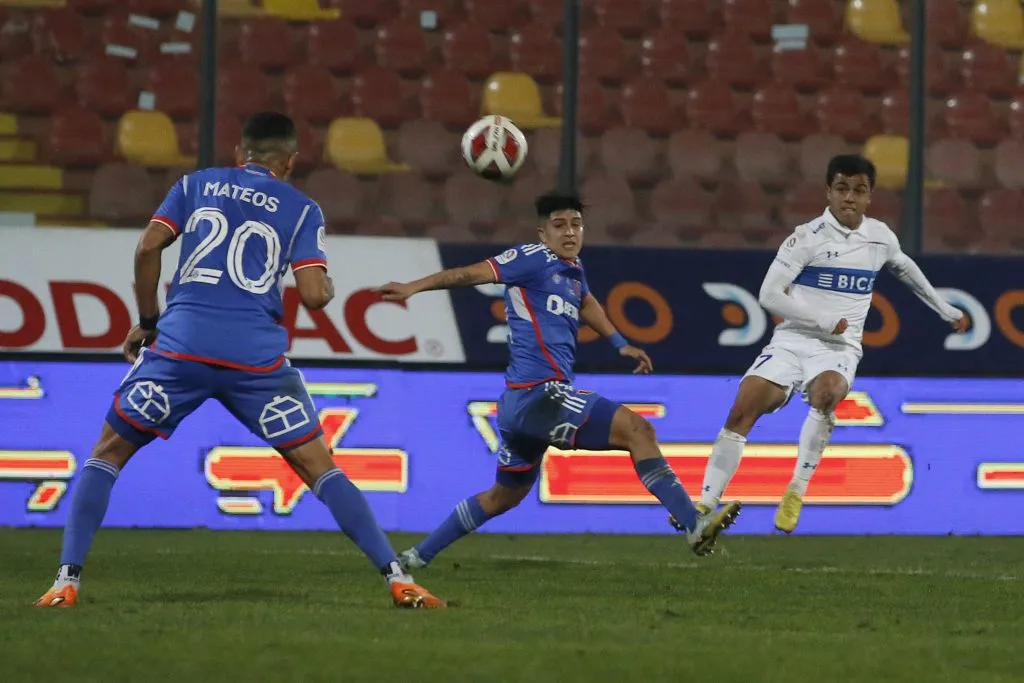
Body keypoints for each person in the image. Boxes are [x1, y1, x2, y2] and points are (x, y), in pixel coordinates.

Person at [35, 112, 444, 609]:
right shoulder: (302, 208)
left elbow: (147, 248)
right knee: (320, 468)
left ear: (238, 154)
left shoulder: (195, 184)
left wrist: (148, 321)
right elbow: (314, 297)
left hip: (181, 348)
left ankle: (66, 582)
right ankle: (398, 578)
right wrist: (329, 285)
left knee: (107, 453)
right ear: (290, 162)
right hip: (256, 363)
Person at [375, 193, 742, 572]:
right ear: (543, 232)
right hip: (541, 396)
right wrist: (414, 287)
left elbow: (586, 302)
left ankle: (416, 556)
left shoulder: (573, 270)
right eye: (559, 224)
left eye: (576, 224)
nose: (570, 232)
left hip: (523, 406)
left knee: (502, 497)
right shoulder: (531, 259)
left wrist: (620, 343)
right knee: (638, 430)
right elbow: (471, 273)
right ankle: (692, 524)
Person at [686, 154, 968, 534]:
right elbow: (769, 295)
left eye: (859, 190)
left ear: (869, 196)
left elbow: (904, 267)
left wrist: (944, 308)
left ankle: (795, 492)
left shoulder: (880, 237)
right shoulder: (806, 237)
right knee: (743, 408)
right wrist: (821, 319)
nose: (849, 197)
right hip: (793, 339)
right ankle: (705, 502)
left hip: (838, 349)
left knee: (828, 392)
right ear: (828, 192)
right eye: (841, 189)